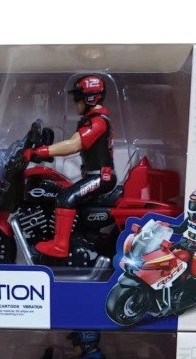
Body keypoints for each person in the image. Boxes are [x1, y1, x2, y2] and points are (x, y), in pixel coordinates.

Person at [23, 74, 116, 258]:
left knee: (66, 197)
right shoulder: (92, 120)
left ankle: (60, 246)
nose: (75, 103)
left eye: (78, 98)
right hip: (93, 175)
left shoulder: (98, 122)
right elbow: (74, 142)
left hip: (100, 177)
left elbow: (74, 145)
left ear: (90, 98)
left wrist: (40, 152)